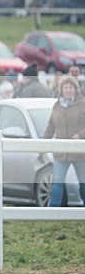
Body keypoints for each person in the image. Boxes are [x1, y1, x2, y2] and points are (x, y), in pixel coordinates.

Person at [42, 76, 85, 207]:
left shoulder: (82, 104)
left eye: (70, 87)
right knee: (57, 182)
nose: (68, 90)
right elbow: (50, 126)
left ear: (75, 89)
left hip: (79, 153)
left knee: (83, 183)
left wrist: (81, 135)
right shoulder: (57, 106)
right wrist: (42, 143)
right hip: (60, 153)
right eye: (65, 87)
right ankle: (53, 212)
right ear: (61, 89)